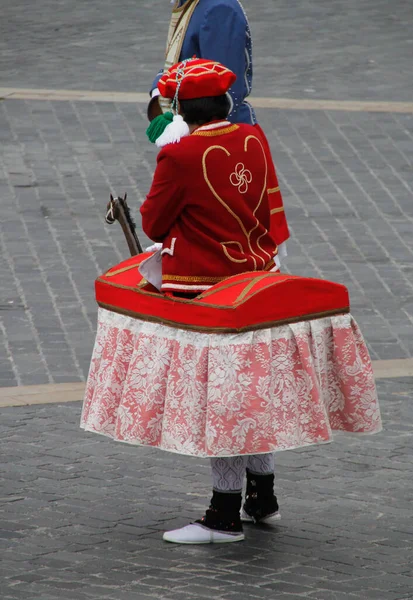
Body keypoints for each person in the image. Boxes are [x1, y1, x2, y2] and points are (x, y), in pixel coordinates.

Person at [147, 0, 289, 253]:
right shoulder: (193, 4)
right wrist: (160, 96)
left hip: (223, 144)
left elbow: (224, 90)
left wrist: (187, 134)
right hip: (198, 134)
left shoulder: (217, 8)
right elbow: (174, 65)